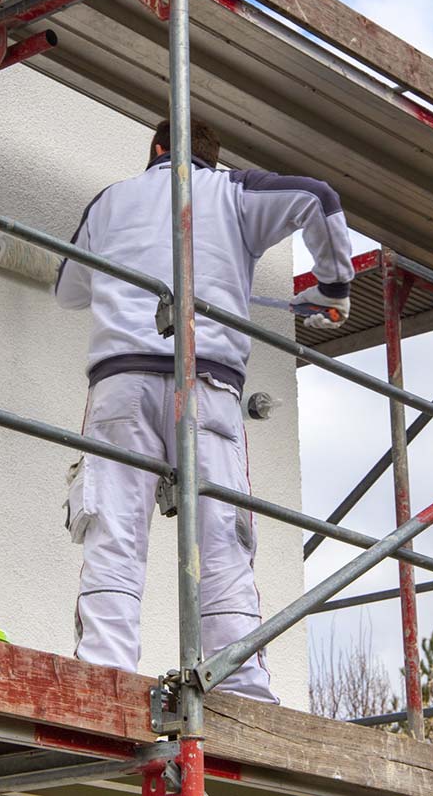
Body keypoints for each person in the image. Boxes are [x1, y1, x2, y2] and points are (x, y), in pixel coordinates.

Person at [55, 119, 353, 701]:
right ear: (213, 159)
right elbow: (318, 198)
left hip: (120, 386)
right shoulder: (231, 192)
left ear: (155, 151)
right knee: (219, 539)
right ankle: (239, 688)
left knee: (112, 531)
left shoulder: (110, 200)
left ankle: (105, 676)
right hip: (206, 387)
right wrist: (333, 289)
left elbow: (69, 288)